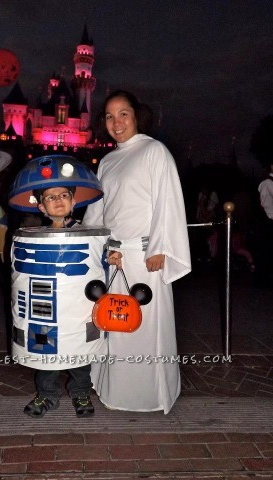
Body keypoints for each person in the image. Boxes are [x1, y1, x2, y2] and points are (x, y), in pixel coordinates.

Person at [83, 90, 191, 414]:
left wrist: (159, 247)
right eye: (109, 116)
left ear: (135, 115)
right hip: (116, 258)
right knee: (113, 324)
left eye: (123, 114)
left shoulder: (154, 151)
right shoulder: (107, 160)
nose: (116, 122)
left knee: (144, 328)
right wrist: (96, 247)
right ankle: (113, 390)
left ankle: (152, 395)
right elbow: (98, 212)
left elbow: (167, 201)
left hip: (146, 258)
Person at [23, 185, 95, 418]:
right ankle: (47, 394)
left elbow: (101, 250)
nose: (59, 200)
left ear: (74, 202)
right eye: (51, 197)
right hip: (46, 305)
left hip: (78, 305)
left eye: (64, 195)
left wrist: (112, 253)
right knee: (46, 352)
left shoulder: (86, 232)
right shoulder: (35, 234)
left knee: (80, 352)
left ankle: (81, 392)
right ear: (42, 206)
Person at [254, 160, 273, 287]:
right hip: (269, 222)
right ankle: (264, 280)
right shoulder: (267, 183)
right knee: (267, 252)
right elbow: (265, 205)